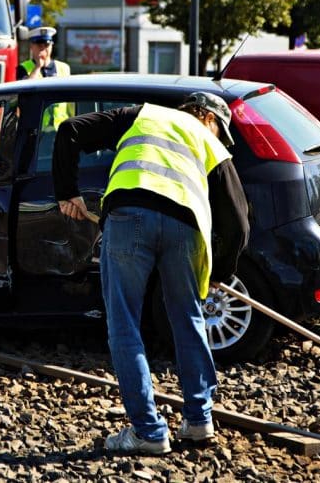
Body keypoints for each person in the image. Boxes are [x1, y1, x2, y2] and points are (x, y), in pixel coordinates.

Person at [53, 92, 250, 455]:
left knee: (125, 323)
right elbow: (238, 224)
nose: (220, 137)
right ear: (206, 116)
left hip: (129, 218)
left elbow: (70, 130)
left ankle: (148, 431)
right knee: (188, 318)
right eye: (221, 129)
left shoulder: (141, 115)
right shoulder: (210, 143)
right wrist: (220, 271)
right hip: (185, 228)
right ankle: (199, 420)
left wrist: (68, 192)